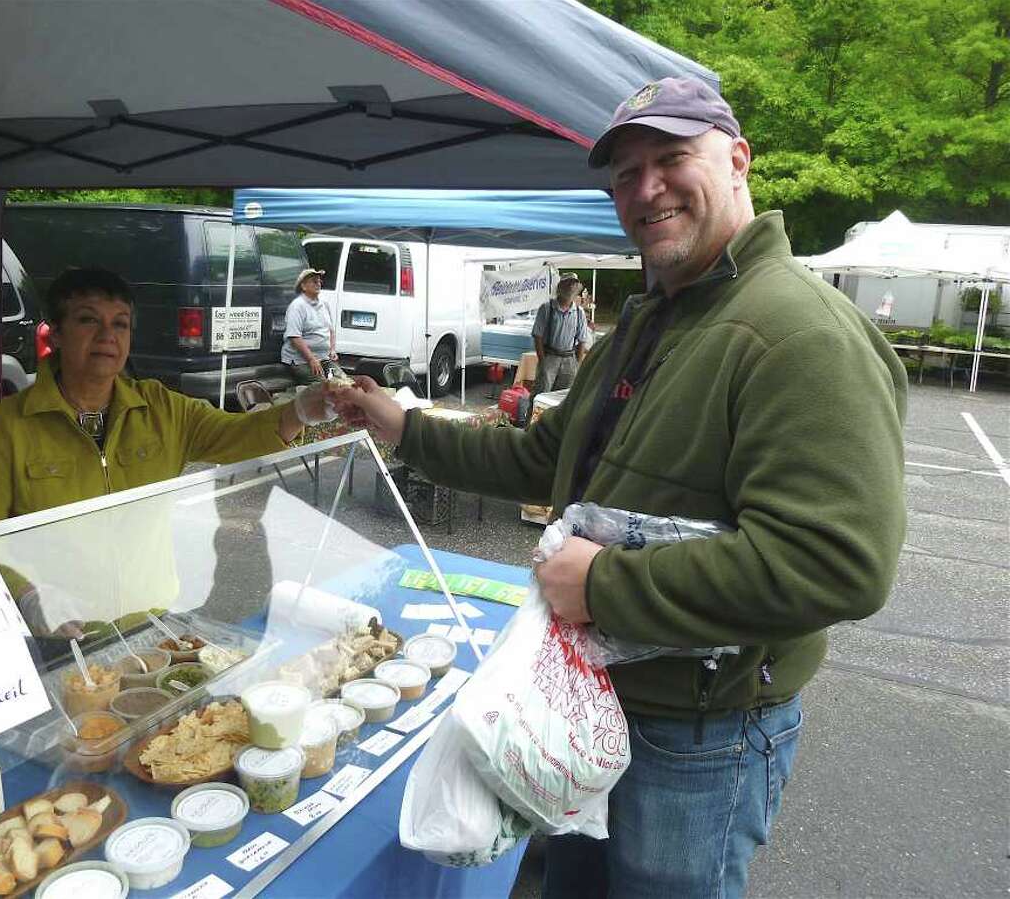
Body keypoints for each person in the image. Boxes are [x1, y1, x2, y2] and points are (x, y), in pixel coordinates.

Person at [335, 76, 907, 898]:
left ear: (738, 160)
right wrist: (404, 427)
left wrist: (605, 584)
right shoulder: (651, 319)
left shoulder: (799, 332)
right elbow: (542, 460)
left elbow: (836, 567)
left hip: (700, 739)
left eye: (672, 158)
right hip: (595, 708)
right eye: (625, 174)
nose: (646, 189)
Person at [0, 267, 335, 632]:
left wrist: (301, 410)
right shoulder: (7, 424)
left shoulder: (161, 407)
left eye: (120, 323)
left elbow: (236, 435)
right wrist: (26, 594)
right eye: (88, 320)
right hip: (62, 633)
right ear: (56, 334)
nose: (107, 336)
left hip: (153, 622)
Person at [531, 272, 590, 398]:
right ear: (560, 287)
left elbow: (582, 340)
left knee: (563, 397)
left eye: (574, 284)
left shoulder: (579, 312)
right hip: (550, 356)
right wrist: (543, 360)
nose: (571, 287)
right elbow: (537, 336)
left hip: (569, 359)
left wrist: (576, 364)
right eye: (567, 284)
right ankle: (534, 412)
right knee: (541, 394)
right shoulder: (546, 308)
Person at [282, 267, 338, 384]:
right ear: (303, 286)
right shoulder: (297, 306)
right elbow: (294, 337)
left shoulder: (324, 304)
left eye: (319, 281)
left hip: (324, 358)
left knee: (343, 383)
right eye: (314, 281)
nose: (318, 284)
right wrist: (311, 359)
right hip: (302, 361)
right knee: (324, 386)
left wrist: (332, 350)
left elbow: (331, 330)